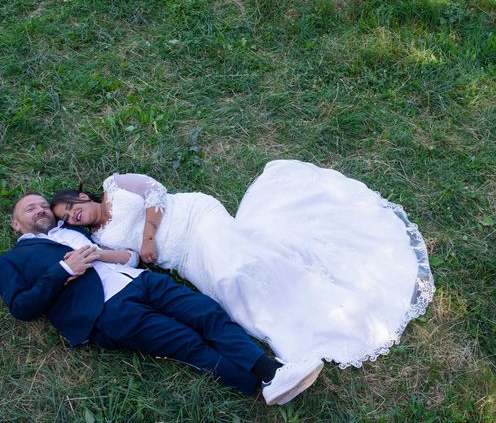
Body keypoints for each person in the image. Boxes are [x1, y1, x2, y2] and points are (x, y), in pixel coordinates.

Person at [51, 160, 436, 368]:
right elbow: (132, 259)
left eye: (72, 206)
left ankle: (327, 303)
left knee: (234, 268)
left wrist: (149, 235)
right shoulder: (99, 239)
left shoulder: (116, 184)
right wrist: (102, 255)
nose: (73, 216)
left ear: (83, 196)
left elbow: (156, 190)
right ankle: (295, 326)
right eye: (66, 218)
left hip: (194, 218)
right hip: (182, 257)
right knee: (230, 296)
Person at [0, 193, 323, 406]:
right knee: (185, 342)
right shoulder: (12, 260)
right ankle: (257, 382)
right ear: (16, 224)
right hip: (106, 312)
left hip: (142, 281)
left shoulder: (77, 231)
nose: (41, 209)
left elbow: (129, 258)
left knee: (207, 312)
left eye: (43, 205)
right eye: (31, 208)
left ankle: (272, 372)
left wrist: (104, 253)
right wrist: (62, 269)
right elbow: (21, 307)